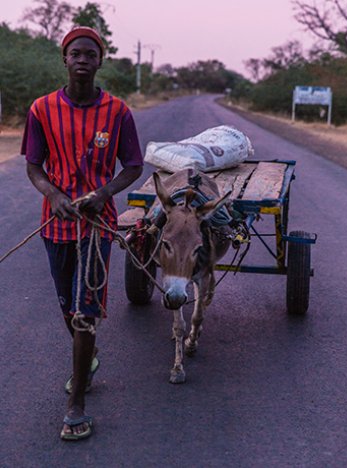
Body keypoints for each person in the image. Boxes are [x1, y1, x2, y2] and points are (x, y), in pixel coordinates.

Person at [21, 26, 143, 441]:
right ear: (64, 58)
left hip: (97, 224)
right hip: (54, 224)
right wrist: (53, 194)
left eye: (91, 54)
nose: (83, 60)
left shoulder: (118, 112)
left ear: (100, 61)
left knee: (84, 309)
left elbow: (132, 165)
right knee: (65, 305)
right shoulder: (41, 109)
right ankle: (86, 359)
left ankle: (76, 407)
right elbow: (33, 166)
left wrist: (104, 192)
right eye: (76, 53)